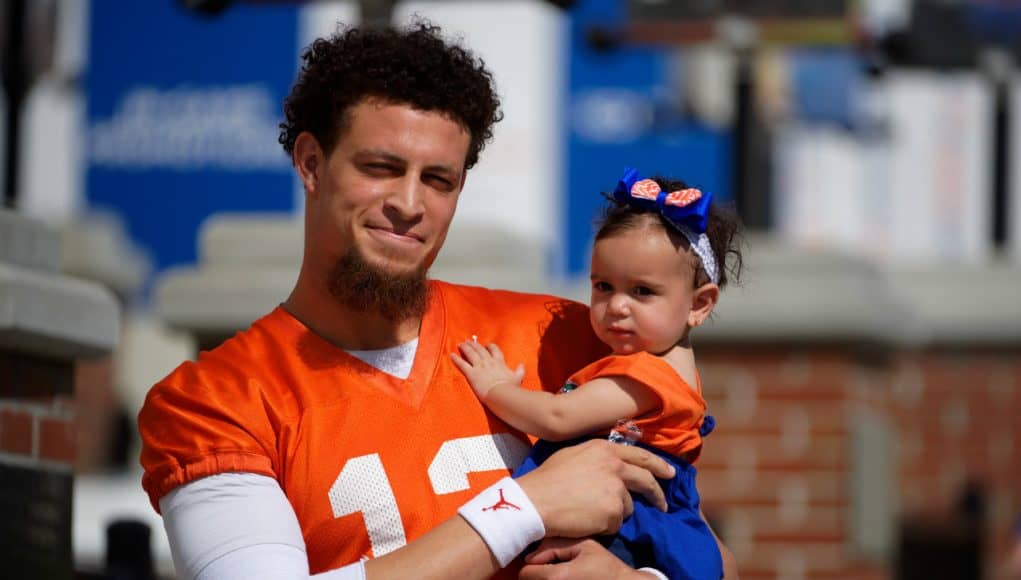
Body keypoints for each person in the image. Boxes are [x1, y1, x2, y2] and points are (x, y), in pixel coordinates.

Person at [137, 22, 738, 580]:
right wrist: (520, 508)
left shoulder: (571, 335)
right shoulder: (212, 402)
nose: (408, 202)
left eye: (437, 179)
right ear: (311, 162)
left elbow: (707, 553)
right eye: (380, 167)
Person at [453, 168, 741, 579]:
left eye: (642, 291)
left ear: (699, 304)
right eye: (603, 286)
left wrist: (496, 387)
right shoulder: (665, 362)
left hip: (627, 521)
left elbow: (558, 418)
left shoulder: (647, 373)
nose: (617, 305)